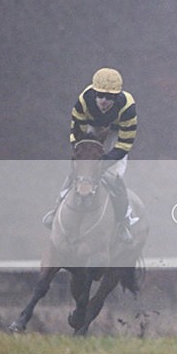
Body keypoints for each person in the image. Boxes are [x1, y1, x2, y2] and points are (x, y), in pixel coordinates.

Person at [43, 67, 137, 243]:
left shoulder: (128, 107)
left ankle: (124, 221)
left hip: (116, 134)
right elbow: (75, 132)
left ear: (117, 97)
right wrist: (82, 155)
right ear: (94, 93)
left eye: (110, 98)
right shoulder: (83, 101)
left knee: (115, 177)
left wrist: (105, 161)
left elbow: (125, 143)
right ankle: (56, 210)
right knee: (79, 171)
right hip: (92, 130)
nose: (104, 101)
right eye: (100, 95)